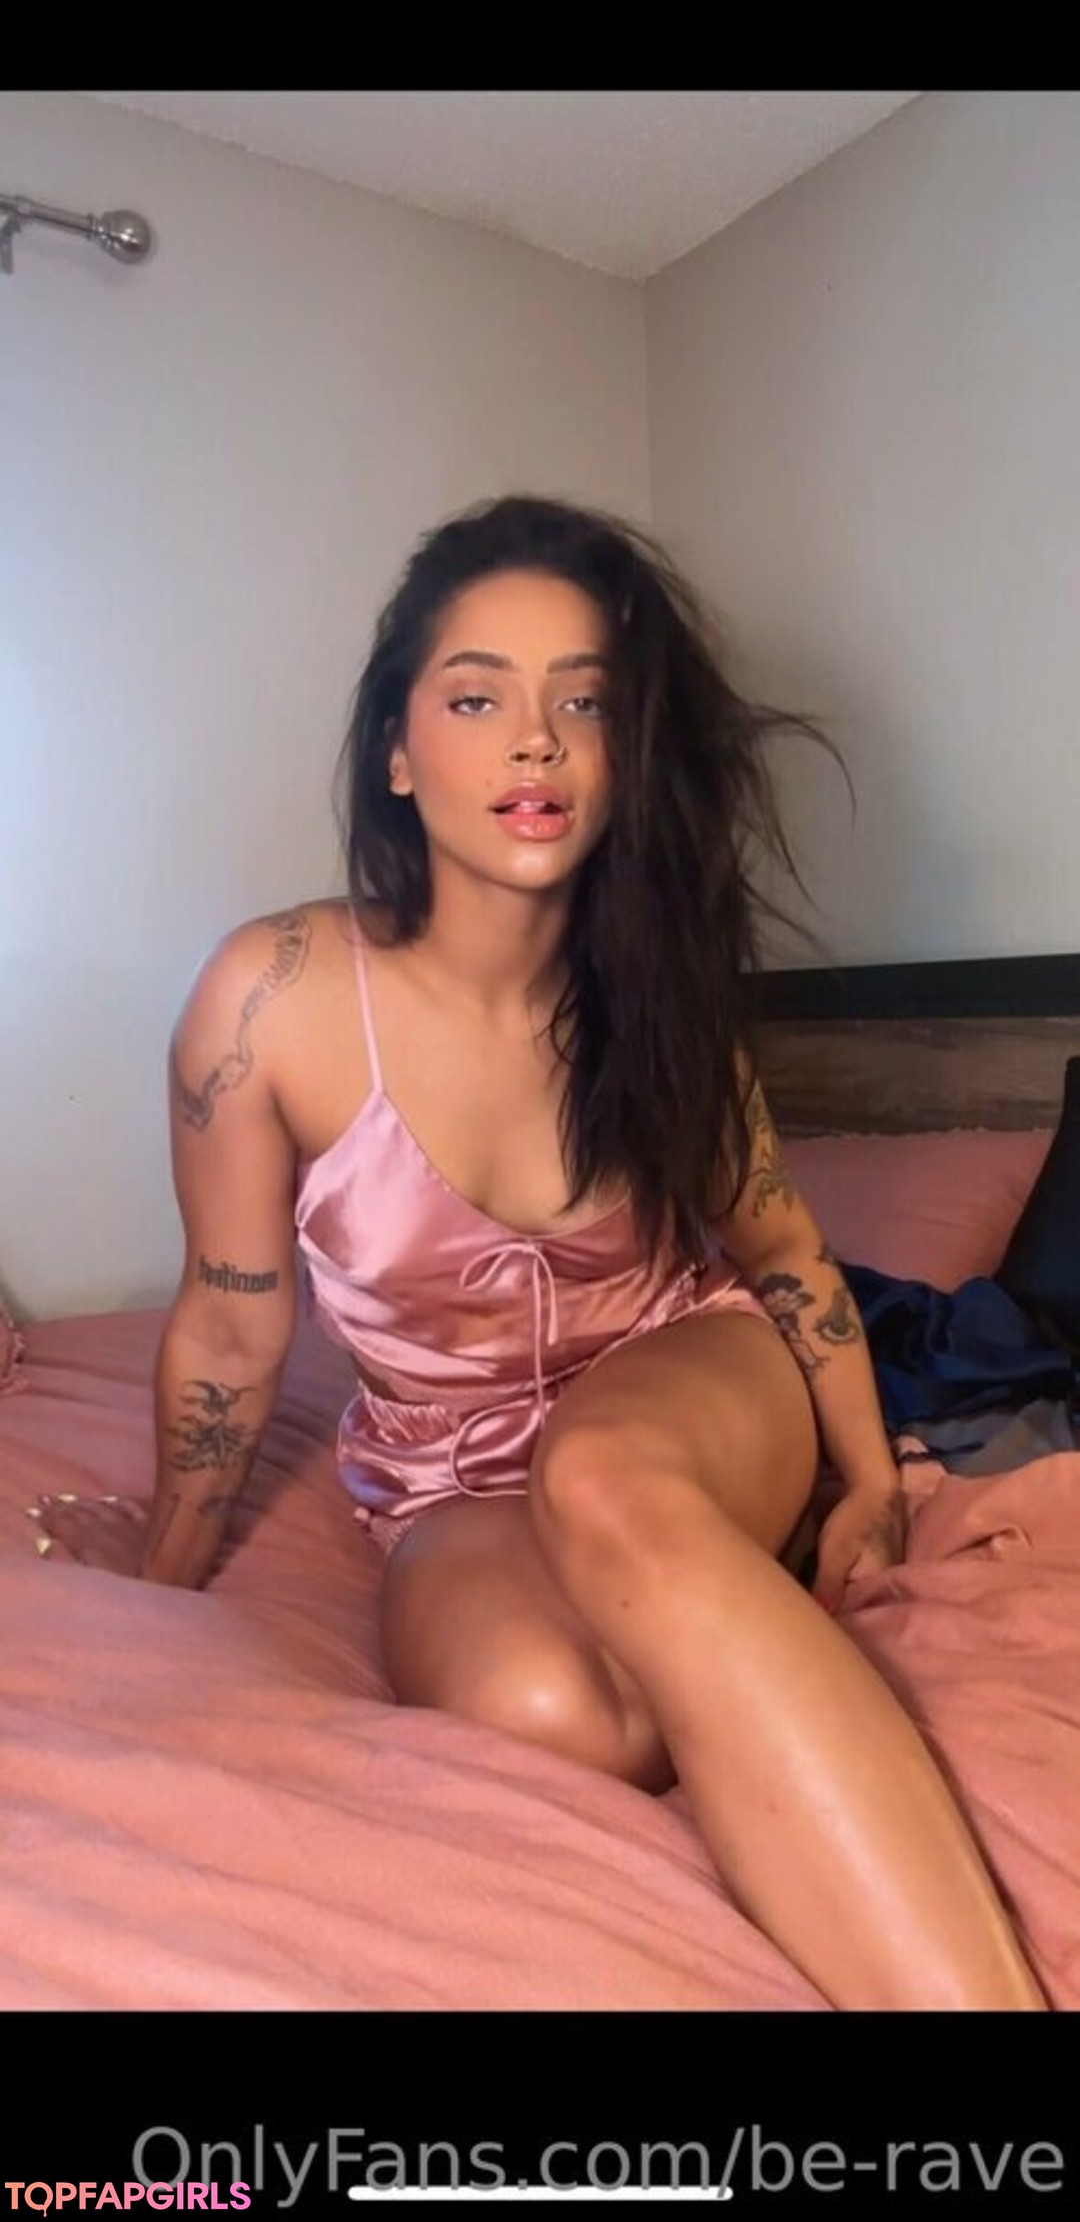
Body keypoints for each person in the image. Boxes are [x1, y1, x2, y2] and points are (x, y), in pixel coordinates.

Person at [36, 494, 1046, 2012]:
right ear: (397, 748)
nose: (535, 742)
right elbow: (233, 1327)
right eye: (476, 698)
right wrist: (169, 1570)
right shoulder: (270, 1001)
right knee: (560, 1711)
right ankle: (709, 1582)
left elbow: (784, 1251)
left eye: (584, 703)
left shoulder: (661, 992)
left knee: (606, 1476)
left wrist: (870, 1487)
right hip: (451, 1471)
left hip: (690, 1375)